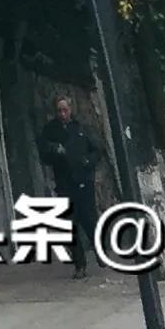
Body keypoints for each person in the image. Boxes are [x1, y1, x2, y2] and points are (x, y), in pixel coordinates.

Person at [36, 93, 107, 274]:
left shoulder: (81, 127)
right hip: (64, 182)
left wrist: (88, 162)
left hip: (83, 179)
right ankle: (80, 264)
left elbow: (98, 150)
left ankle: (100, 250)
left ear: (70, 109)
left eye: (65, 110)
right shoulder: (50, 130)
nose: (62, 114)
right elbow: (43, 154)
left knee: (89, 219)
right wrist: (54, 151)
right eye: (59, 111)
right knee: (70, 224)